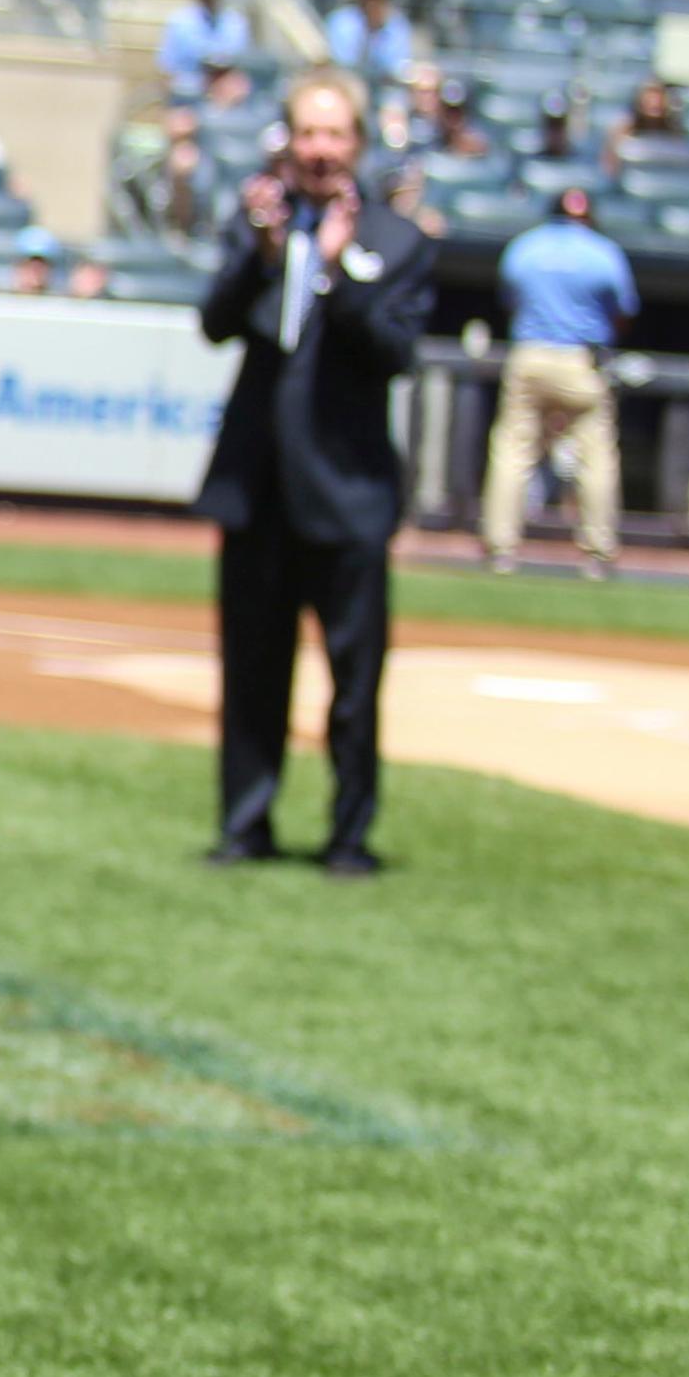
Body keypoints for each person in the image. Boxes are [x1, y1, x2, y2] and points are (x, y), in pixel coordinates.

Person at [195, 67, 437, 876]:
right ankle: (245, 823)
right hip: (258, 487)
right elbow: (216, 323)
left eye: (334, 134)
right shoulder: (259, 223)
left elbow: (394, 352)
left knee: (355, 682)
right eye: (307, 133)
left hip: (349, 491)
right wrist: (267, 256)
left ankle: (348, 834)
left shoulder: (397, 243)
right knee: (252, 670)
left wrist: (334, 275)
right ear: (287, 141)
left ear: (357, 145)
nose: (320, 150)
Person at [479, 185, 637, 577]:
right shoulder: (603, 251)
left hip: (530, 354)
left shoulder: (525, 247)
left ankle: (500, 547)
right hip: (580, 359)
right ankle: (598, 552)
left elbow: (509, 299)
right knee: (595, 455)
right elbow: (624, 312)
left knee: (513, 451)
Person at [155, 0, 251, 100]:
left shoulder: (236, 22)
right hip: (189, 92)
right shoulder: (179, 21)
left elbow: (239, 63)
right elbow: (167, 70)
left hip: (224, 93)